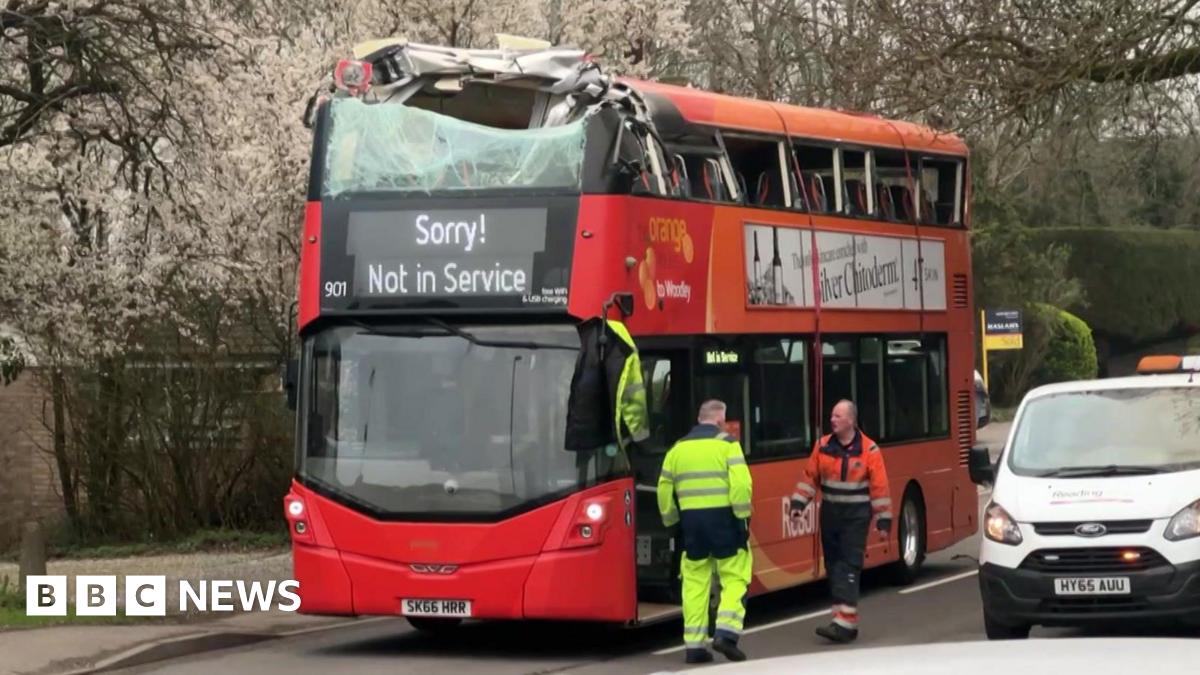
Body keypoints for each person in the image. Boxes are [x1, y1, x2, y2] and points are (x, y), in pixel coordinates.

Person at [657, 400, 753, 664]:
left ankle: (695, 646)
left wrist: (672, 520)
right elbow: (742, 484)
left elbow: (664, 489)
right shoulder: (728, 444)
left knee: (695, 582)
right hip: (724, 520)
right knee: (735, 576)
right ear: (720, 421)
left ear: (699, 420)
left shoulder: (677, 449)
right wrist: (743, 517)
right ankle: (726, 633)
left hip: (691, 524)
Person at [789, 399, 891, 643]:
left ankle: (843, 625)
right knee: (834, 566)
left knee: (848, 565)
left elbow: (880, 488)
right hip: (831, 515)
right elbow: (809, 478)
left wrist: (884, 521)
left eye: (837, 416)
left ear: (851, 421)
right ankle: (843, 620)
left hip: (856, 517)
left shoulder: (869, 451)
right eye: (832, 416)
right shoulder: (822, 446)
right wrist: (797, 504)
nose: (832, 420)